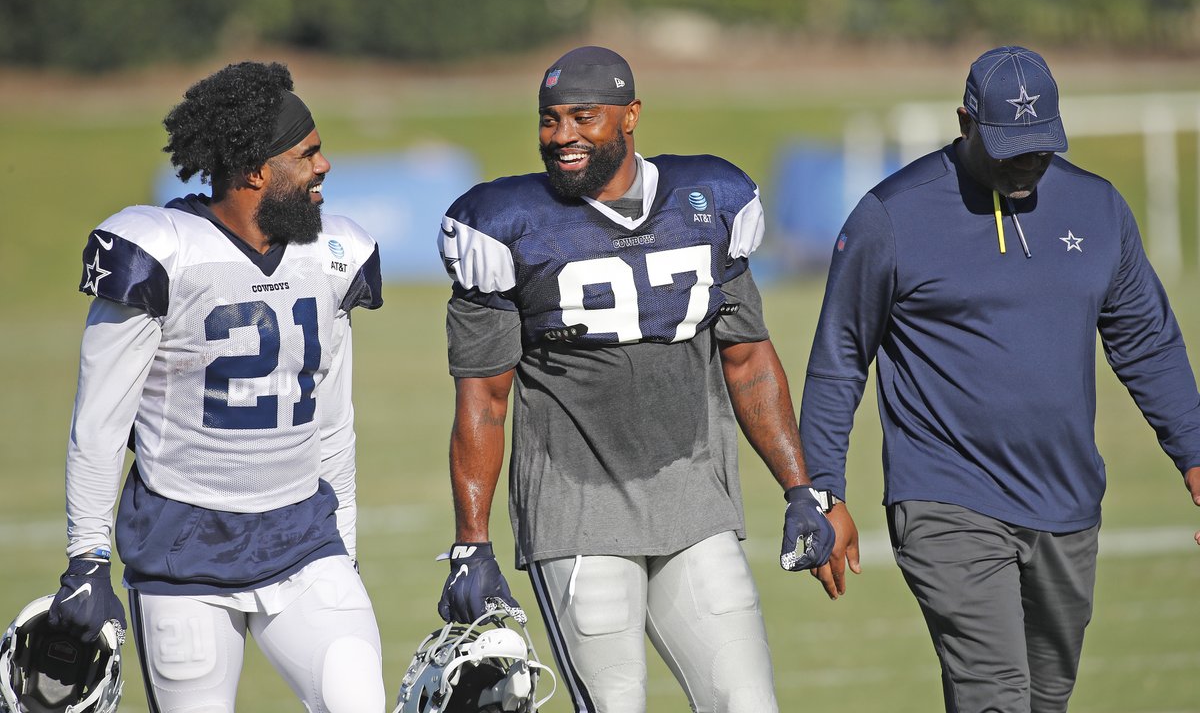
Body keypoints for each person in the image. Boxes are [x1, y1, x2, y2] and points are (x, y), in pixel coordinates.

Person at [799, 45, 1200, 713]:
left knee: (1045, 699)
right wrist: (822, 492)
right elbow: (840, 356)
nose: (1026, 163)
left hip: (1067, 501)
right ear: (965, 122)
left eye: (1040, 146)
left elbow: (1147, 342)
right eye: (1009, 148)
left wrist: (1194, 450)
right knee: (995, 697)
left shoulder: (1099, 208)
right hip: (946, 497)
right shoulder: (890, 216)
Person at [434, 45, 834, 713]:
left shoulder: (709, 201)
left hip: (695, 498)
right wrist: (470, 543)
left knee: (748, 702)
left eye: (583, 117)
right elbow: (484, 398)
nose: (561, 135)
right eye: (550, 119)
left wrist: (800, 487)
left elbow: (747, 357)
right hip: (576, 511)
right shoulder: (504, 225)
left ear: (630, 115)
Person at [49, 61, 387, 712]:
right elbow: (99, 423)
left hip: (303, 540)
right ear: (256, 171)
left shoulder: (332, 254)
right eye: (306, 154)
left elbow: (332, 420)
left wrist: (343, 542)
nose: (324, 166)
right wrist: (86, 557)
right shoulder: (163, 251)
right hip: (184, 551)